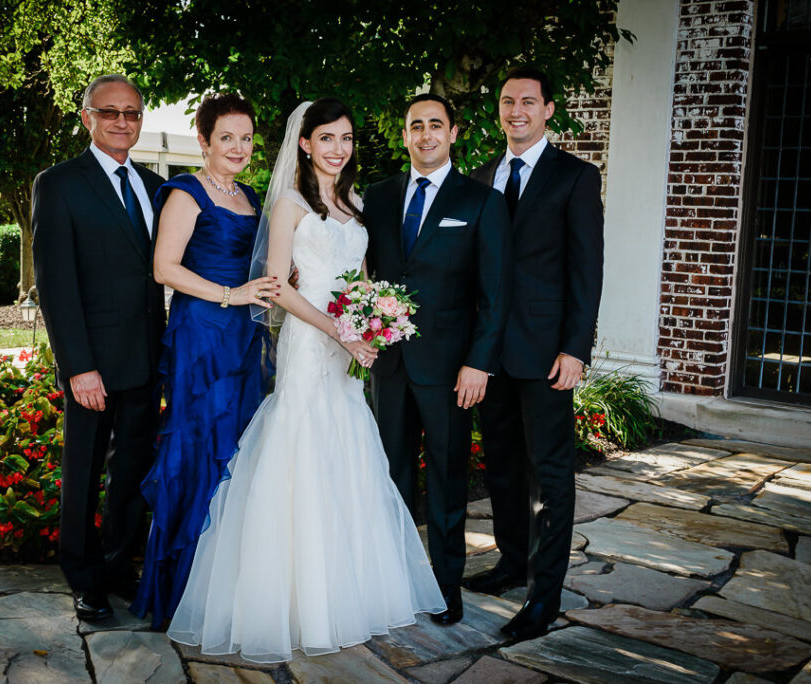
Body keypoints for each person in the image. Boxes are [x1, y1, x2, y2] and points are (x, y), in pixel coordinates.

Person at [167, 98, 445, 662]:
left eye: (346, 139)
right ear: (304, 144)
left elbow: (364, 280)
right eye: (326, 139)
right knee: (301, 445)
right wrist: (340, 331)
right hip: (308, 341)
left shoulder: (358, 203)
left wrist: (373, 324)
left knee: (347, 450)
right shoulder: (291, 204)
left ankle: (348, 594)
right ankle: (295, 600)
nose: (338, 149)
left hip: (347, 348)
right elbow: (278, 287)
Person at [130, 93, 278, 629]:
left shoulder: (251, 196)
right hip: (204, 334)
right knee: (201, 445)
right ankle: (184, 587)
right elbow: (164, 268)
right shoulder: (187, 194)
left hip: (245, 338)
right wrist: (230, 294)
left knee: (241, 446)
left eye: (246, 137)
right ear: (204, 140)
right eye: (226, 138)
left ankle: (227, 583)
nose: (238, 147)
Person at [467, 66, 604, 643]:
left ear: (548, 109)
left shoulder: (575, 177)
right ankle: (511, 562)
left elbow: (586, 270)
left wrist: (576, 348)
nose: (515, 110)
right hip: (488, 355)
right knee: (501, 466)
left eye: (528, 101)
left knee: (551, 477)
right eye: (506, 101)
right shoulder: (478, 177)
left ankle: (543, 597)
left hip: (547, 355)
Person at [363, 94, 510, 626]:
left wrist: (479, 363)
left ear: (452, 133)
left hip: (451, 370)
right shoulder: (376, 198)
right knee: (390, 477)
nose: (425, 134)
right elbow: (361, 274)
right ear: (403, 134)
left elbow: (496, 294)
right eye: (415, 125)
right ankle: (396, 583)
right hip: (389, 366)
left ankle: (446, 589)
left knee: (447, 482)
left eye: (435, 125)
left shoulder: (480, 201)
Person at [32, 74, 166, 621]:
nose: (122, 122)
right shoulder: (59, 183)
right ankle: (83, 575)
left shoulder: (158, 185)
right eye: (109, 112)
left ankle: (116, 566)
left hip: (147, 356)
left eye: (132, 112)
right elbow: (56, 283)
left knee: (132, 472)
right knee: (84, 473)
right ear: (86, 116)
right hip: (93, 363)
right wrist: (78, 367)